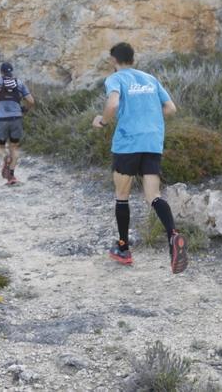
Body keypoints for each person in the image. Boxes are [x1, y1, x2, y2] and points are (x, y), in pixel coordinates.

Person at [92, 42, 187, 273]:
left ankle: (123, 249)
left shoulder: (116, 78)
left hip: (128, 143)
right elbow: (171, 108)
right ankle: (173, 235)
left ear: (114, 60)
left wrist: (102, 121)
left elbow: (113, 103)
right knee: (153, 196)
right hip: (152, 141)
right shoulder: (150, 78)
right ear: (134, 59)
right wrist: (150, 120)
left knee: (122, 196)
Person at [0, 62, 35, 185]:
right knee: (14, 147)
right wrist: (25, 110)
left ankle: (4, 157)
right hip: (16, 118)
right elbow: (31, 101)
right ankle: (11, 175)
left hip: (1, 119)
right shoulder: (19, 82)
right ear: (11, 72)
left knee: (0, 147)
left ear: (1, 72)